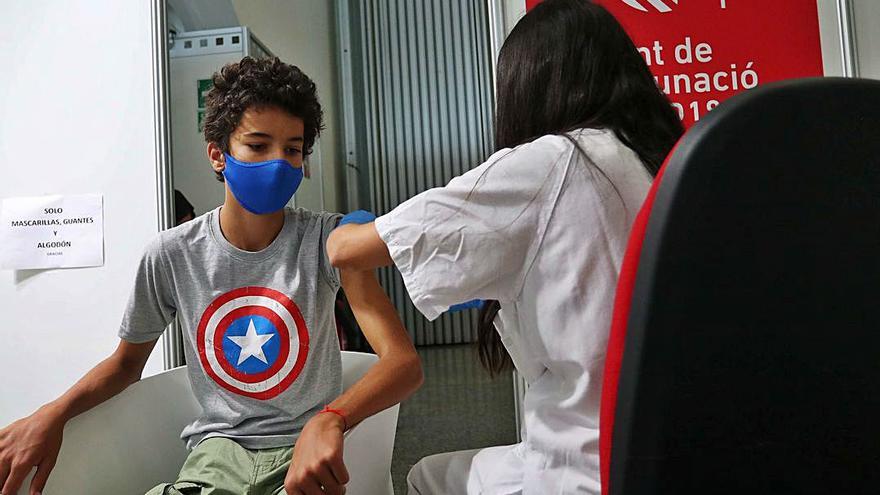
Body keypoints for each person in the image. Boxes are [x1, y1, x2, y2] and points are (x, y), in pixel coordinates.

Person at [0, 56, 423, 495]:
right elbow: (126, 365)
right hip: (216, 458)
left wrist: (331, 419)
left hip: (307, 453)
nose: (279, 162)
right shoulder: (171, 255)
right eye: (258, 146)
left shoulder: (330, 242)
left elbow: (402, 364)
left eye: (293, 149)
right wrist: (51, 415)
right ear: (218, 155)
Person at [326, 1, 684, 493]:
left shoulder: (549, 162)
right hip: (678, 453)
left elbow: (352, 249)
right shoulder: (664, 159)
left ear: (526, 86)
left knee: (425, 477)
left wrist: (345, 230)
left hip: (585, 467)